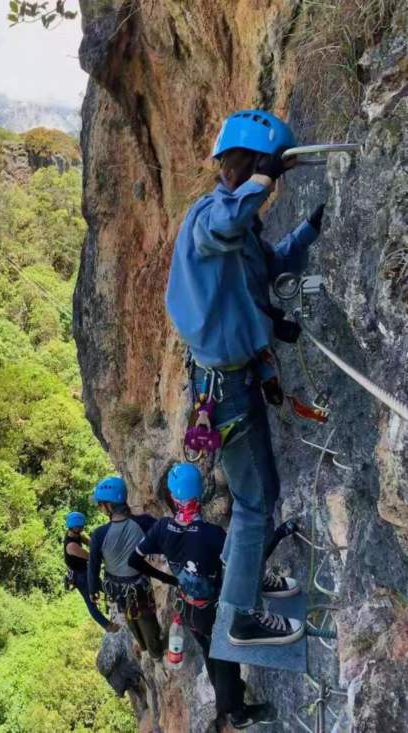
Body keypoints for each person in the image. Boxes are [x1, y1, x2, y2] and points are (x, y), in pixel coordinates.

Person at [166, 110, 324, 645]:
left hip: (233, 380)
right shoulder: (209, 217)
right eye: (264, 172)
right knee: (258, 499)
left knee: (255, 492)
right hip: (224, 388)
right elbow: (226, 223)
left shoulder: (240, 231)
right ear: (252, 164)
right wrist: (264, 178)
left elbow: (269, 264)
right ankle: (239, 616)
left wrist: (310, 229)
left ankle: (243, 577)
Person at [129, 463, 277, 730]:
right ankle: (237, 713)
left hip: (187, 607)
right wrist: (277, 535)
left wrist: (168, 579)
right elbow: (246, 564)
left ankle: (229, 699)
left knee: (211, 654)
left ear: (174, 498)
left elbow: (134, 559)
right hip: (212, 610)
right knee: (226, 658)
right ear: (200, 496)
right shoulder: (213, 535)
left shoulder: (162, 529)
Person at [88, 476, 177, 661]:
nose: (99, 508)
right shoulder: (143, 523)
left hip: (116, 587)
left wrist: (92, 590)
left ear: (109, 506)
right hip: (139, 583)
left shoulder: (98, 535)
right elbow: (163, 542)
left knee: (130, 616)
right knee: (146, 618)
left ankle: (146, 649)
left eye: (101, 504)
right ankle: (155, 652)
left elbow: (94, 565)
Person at [64, 511, 119, 632]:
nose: (82, 528)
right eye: (80, 527)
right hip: (80, 576)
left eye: (82, 526)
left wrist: (99, 545)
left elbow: (89, 542)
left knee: (101, 586)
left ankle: (117, 598)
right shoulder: (71, 546)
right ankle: (108, 626)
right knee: (91, 602)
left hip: (84, 570)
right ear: (73, 527)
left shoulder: (75, 534)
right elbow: (90, 556)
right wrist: (106, 558)